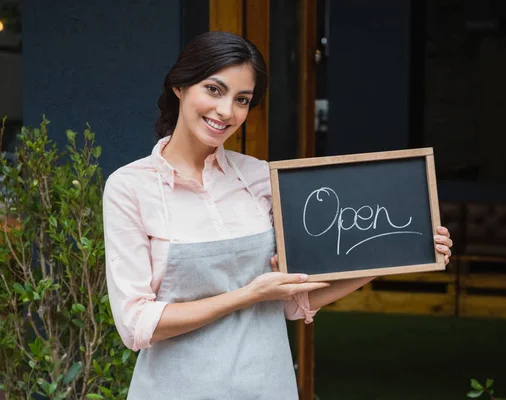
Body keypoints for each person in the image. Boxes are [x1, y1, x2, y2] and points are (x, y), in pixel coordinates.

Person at [102, 31, 453, 400]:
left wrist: (397, 253)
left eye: (242, 100)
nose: (226, 112)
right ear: (180, 86)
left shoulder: (259, 177)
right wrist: (247, 295)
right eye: (214, 90)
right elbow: (136, 325)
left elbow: (293, 299)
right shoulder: (131, 187)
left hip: (268, 386)